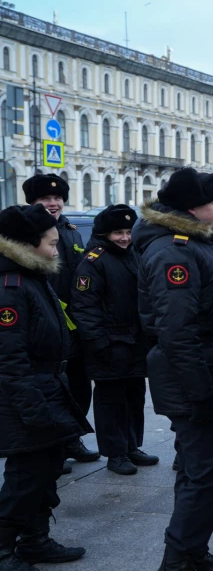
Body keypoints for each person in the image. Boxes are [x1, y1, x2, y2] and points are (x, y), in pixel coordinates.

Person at [134, 168, 213, 571]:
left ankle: (193, 552)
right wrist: (200, 391)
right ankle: (175, 570)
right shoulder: (174, 252)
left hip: (206, 372)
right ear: (191, 208)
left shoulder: (191, 243)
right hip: (193, 377)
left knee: (201, 470)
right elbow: (177, 332)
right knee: (202, 473)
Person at [0, 204, 89, 571]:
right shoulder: (11, 287)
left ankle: (35, 539)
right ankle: (4, 549)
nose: (57, 249)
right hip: (25, 397)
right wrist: (33, 410)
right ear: (29, 244)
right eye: (51, 243)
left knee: (47, 469)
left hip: (47, 388)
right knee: (25, 477)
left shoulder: (32, 277)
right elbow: (9, 360)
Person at [71, 205, 157, 476]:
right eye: (117, 232)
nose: (124, 238)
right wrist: (99, 343)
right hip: (109, 344)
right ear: (104, 234)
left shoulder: (134, 255)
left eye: (128, 232)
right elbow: (84, 307)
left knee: (134, 397)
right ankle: (115, 453)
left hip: (134, 341)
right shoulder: (93, 261)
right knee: (111, 401)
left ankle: (132, 446)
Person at [22, 174, 99, 467]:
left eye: (57, 199)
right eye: (45, 199)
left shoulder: (71, 230)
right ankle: (53, 445)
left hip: (75, 322)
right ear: (33, 202)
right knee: (51, 388)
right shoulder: (25, 232)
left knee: (79, 385)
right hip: (45, 323)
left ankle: (72, 439)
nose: (52, 204)